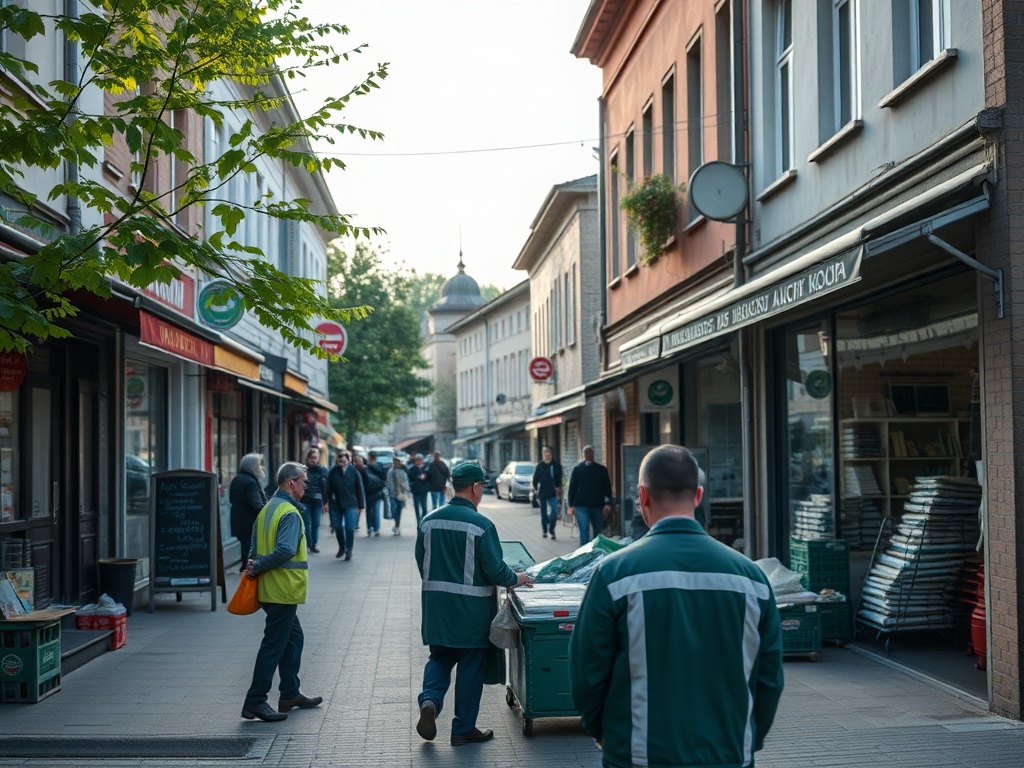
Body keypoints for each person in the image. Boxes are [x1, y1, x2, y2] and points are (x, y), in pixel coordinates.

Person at [569, 445, 783, 767]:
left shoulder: (614, 575)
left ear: (642, 495)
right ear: (698, 496)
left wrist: (602, 730)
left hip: (638, 755)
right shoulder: (752, 579)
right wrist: (749, 738)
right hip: (727, 754)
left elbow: (587, 670)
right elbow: (769, 678)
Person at [415, 461, 535, 746]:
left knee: (440, 657)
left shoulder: (429, 520)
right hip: (471, 611)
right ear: (476, 487)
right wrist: (517, 578)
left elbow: (423, 562)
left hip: (438, 608)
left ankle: (430, 700)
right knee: (470, 665)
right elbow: (495, 571)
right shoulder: (481, 525)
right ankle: (463, 728)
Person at [241, 461, 322, 722]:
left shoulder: (267, 509)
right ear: (291, 482)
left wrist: (254, 565)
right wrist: (260, 565)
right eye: (303, 480)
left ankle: (290, 693)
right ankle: (255, 701)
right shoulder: (288, 512)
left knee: (293, 638)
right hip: (282, 590)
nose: (306, 485)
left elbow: (253, 547)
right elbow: (286, 549)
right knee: (273, 645)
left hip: (271, 588)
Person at [566, 445, 614, 547]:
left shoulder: (602, 470)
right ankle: (585, 555)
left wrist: (609, 503)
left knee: (598, 532)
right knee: (584, 532)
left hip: (597, 505)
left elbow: (607, 488)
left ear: (593, 454)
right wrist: (571, 505)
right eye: (587, 452)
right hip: (581, 506)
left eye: (591, 452)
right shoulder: (577, 470)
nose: (589, 454)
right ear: (583, 455)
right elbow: (572, 489)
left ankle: (596, 553)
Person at [229, 453, 267, 573]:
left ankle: (244, 566)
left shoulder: (237, 479)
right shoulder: (251, 482)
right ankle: (247, 568)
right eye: (259, 465)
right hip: (249, 521)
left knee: (245, 544)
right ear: (253, 467)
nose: (261, 468)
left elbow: (231, 498)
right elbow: (256, 504)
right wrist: (267, 511)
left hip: (238, 519)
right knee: (249, 546)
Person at [326, 450, 365, 561]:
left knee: (349, 527)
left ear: (349, 460)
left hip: (351, 503)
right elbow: (328, 488)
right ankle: (342, 547)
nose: (341, 460)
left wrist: (361, 505)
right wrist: (326, 502)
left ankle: (349, 550)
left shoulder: (354, 471)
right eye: (339, 458)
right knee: (337, 526)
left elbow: (359, 489)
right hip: (336, 503)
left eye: (344, 458)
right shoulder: (333, 472)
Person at [299, 447, 329, 554]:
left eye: (315, 458)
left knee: (316, 523)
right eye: (311, 458)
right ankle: (307, 544)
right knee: (307, 523)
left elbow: (327, 487)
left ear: (318, 458)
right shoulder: (302, 470)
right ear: (307, 458)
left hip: (317, 500)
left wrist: (326, 502)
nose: (313, 460)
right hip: (305, 499)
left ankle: (314, 544)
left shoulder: (323, 471)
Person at [531, 446, 563, 540]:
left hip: (553, 493)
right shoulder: (540, 466)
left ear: (551, 454)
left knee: (554, 511)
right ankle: (545, 530)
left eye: (548, 452)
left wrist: (558, 487)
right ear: (543, 454)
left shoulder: (556, 465)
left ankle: (552, 530)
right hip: (542, 494)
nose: (547, 454)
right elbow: (535, 479)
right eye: (545, 452)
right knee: (543, 513)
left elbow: (559, 477)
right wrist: (536, 488)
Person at [364, 451, 389, 535]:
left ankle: (370, 527)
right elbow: (384, 478)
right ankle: (376, 529)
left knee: (369, 511)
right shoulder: (381, 466)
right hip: (377, 491)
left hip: (369, 492)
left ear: (370, 457)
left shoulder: (366, 467)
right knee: (376, 511)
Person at [386, 456, 410, 536]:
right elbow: (387, 482)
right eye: (394, 461)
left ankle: (397, 525)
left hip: (400, 494)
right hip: (392, 494)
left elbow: (405, 482)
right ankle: (396, 523)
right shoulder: (390, 471)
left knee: (399, 510)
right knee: (393, 509)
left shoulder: (402, 472)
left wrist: (406, 491)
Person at [408, 453, 431, 526]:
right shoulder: (412, 468)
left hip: (424, 491)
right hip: (415, 491)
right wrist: (418, 477)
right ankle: (418, 522)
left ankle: (423, 520)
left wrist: (425, 477)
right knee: (416, 508)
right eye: (417, 460)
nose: (418, 461)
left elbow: (429, 478)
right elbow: (410, 477)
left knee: (424, 508)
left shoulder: (425, 468)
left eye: (420, 460)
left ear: (422, 460)